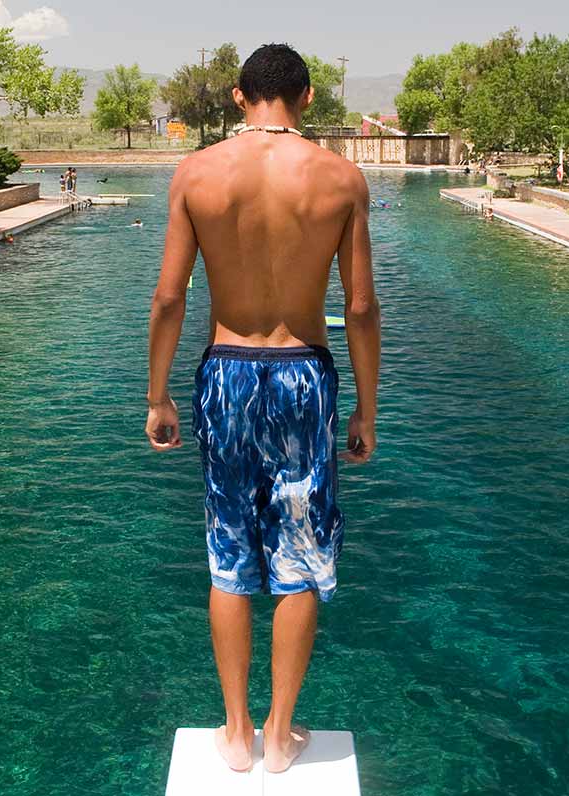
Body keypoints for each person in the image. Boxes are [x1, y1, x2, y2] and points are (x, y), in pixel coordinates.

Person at [144, 43, 380, 775]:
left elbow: (170, 298)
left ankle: (238, 733)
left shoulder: (198, 172)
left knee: (229, 552)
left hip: (225, 375)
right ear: (307, 98)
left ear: (240, 98)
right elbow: (364, 308)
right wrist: (366, 411)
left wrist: (157, 395)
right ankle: (282, 735)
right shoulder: (341, 178)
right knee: (300, 558)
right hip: (305, 377)